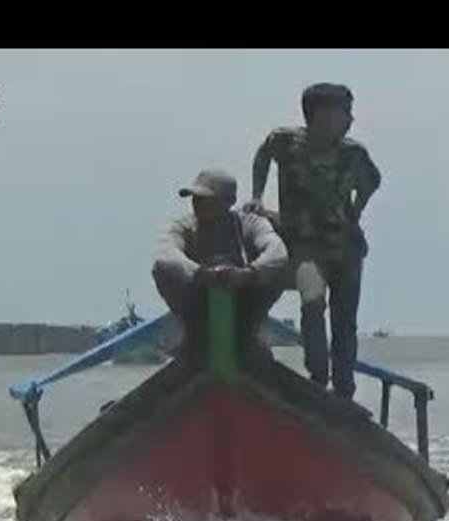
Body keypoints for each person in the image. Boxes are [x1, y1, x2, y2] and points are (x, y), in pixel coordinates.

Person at [245, 82, 381, 400]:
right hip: (305, 246)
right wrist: (257, 196)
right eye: (345, 113)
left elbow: (372, 182)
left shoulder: (353, 153)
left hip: (346, 249)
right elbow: (262, 157)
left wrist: (357, 210)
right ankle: (318, 376)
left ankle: (344, 390)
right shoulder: (285, 142)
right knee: (313, 300)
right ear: (321, 114)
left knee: (344, 322)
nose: (350, 120)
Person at [152, 168, 288, 364]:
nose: (197, 204)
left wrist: (249, 273)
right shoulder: (184, 226)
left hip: (245, 298)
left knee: (279, 268)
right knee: (162, 271)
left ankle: (249, 334)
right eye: (195, 198)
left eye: (205, 199)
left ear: (229, 201)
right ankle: (194, 335)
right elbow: (166, 254)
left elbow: (277, 251)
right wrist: (200, 273)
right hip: (198, 300)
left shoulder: (250, 224)